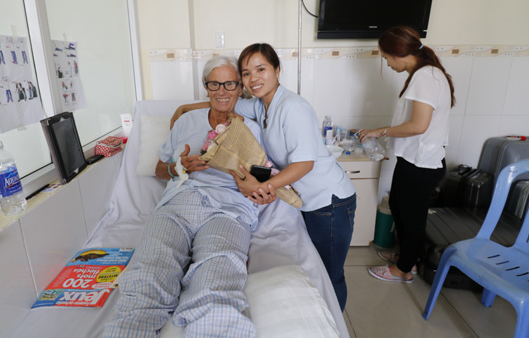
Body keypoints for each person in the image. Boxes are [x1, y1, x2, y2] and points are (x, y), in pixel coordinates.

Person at [171, 43, 356, 311]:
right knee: (317, 273)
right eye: (246, 73)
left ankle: (334, 324)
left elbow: (304, 164)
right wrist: (185, 108)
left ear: (277, 70)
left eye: (261, 69)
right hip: (303, 198)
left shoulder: (293, 107)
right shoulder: (261, 106)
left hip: (329, 201)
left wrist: (261, 186)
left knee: (330, 274)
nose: (253, 78)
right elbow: (226, 100)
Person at [103, 56, 258, 338]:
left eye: (230, 84)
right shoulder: (186, 121)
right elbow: (159, 169)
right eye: (215, 84)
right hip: (179, 202)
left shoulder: (252, 128)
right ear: (206, 86)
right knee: (149, 271)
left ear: (240, 88)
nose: (222, 91)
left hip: (228, 207)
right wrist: (179, 166)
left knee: (218, 276)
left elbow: (262, 180)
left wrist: (238, 173)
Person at [359, 26, 455, 283]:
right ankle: (406, 258)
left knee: (411, 218)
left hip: (422, 164)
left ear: (398, 53)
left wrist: (380, 131)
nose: (387, 63)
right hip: (414, 160)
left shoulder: (426, 76)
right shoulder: (426, 74)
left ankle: (404, 270)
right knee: (400, 209)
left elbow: (418, 125)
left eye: (386, 57)